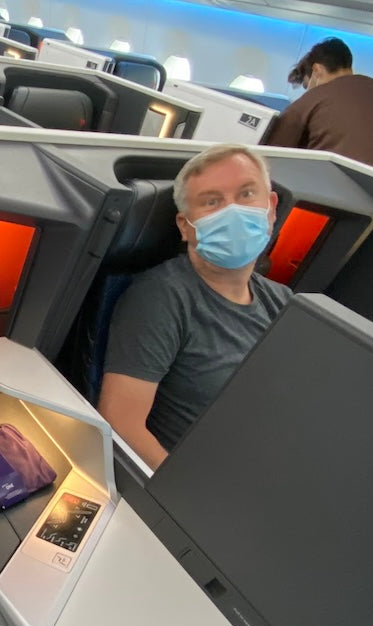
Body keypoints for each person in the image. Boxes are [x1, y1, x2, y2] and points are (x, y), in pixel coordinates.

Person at [99, 144, 292, 470]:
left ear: (271, 208)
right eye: (212, 202)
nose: (232, 212)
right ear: (185, 225)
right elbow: (121, 423)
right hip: (204, 486)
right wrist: (183, 503)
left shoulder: (284, 301)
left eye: (246, 194)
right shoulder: (163, 297)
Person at [264, 37, 373, 168]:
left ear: (317, 70)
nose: (309, 92)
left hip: (320, 188)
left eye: (308, 86)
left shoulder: (313, 98)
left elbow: (272, 154)